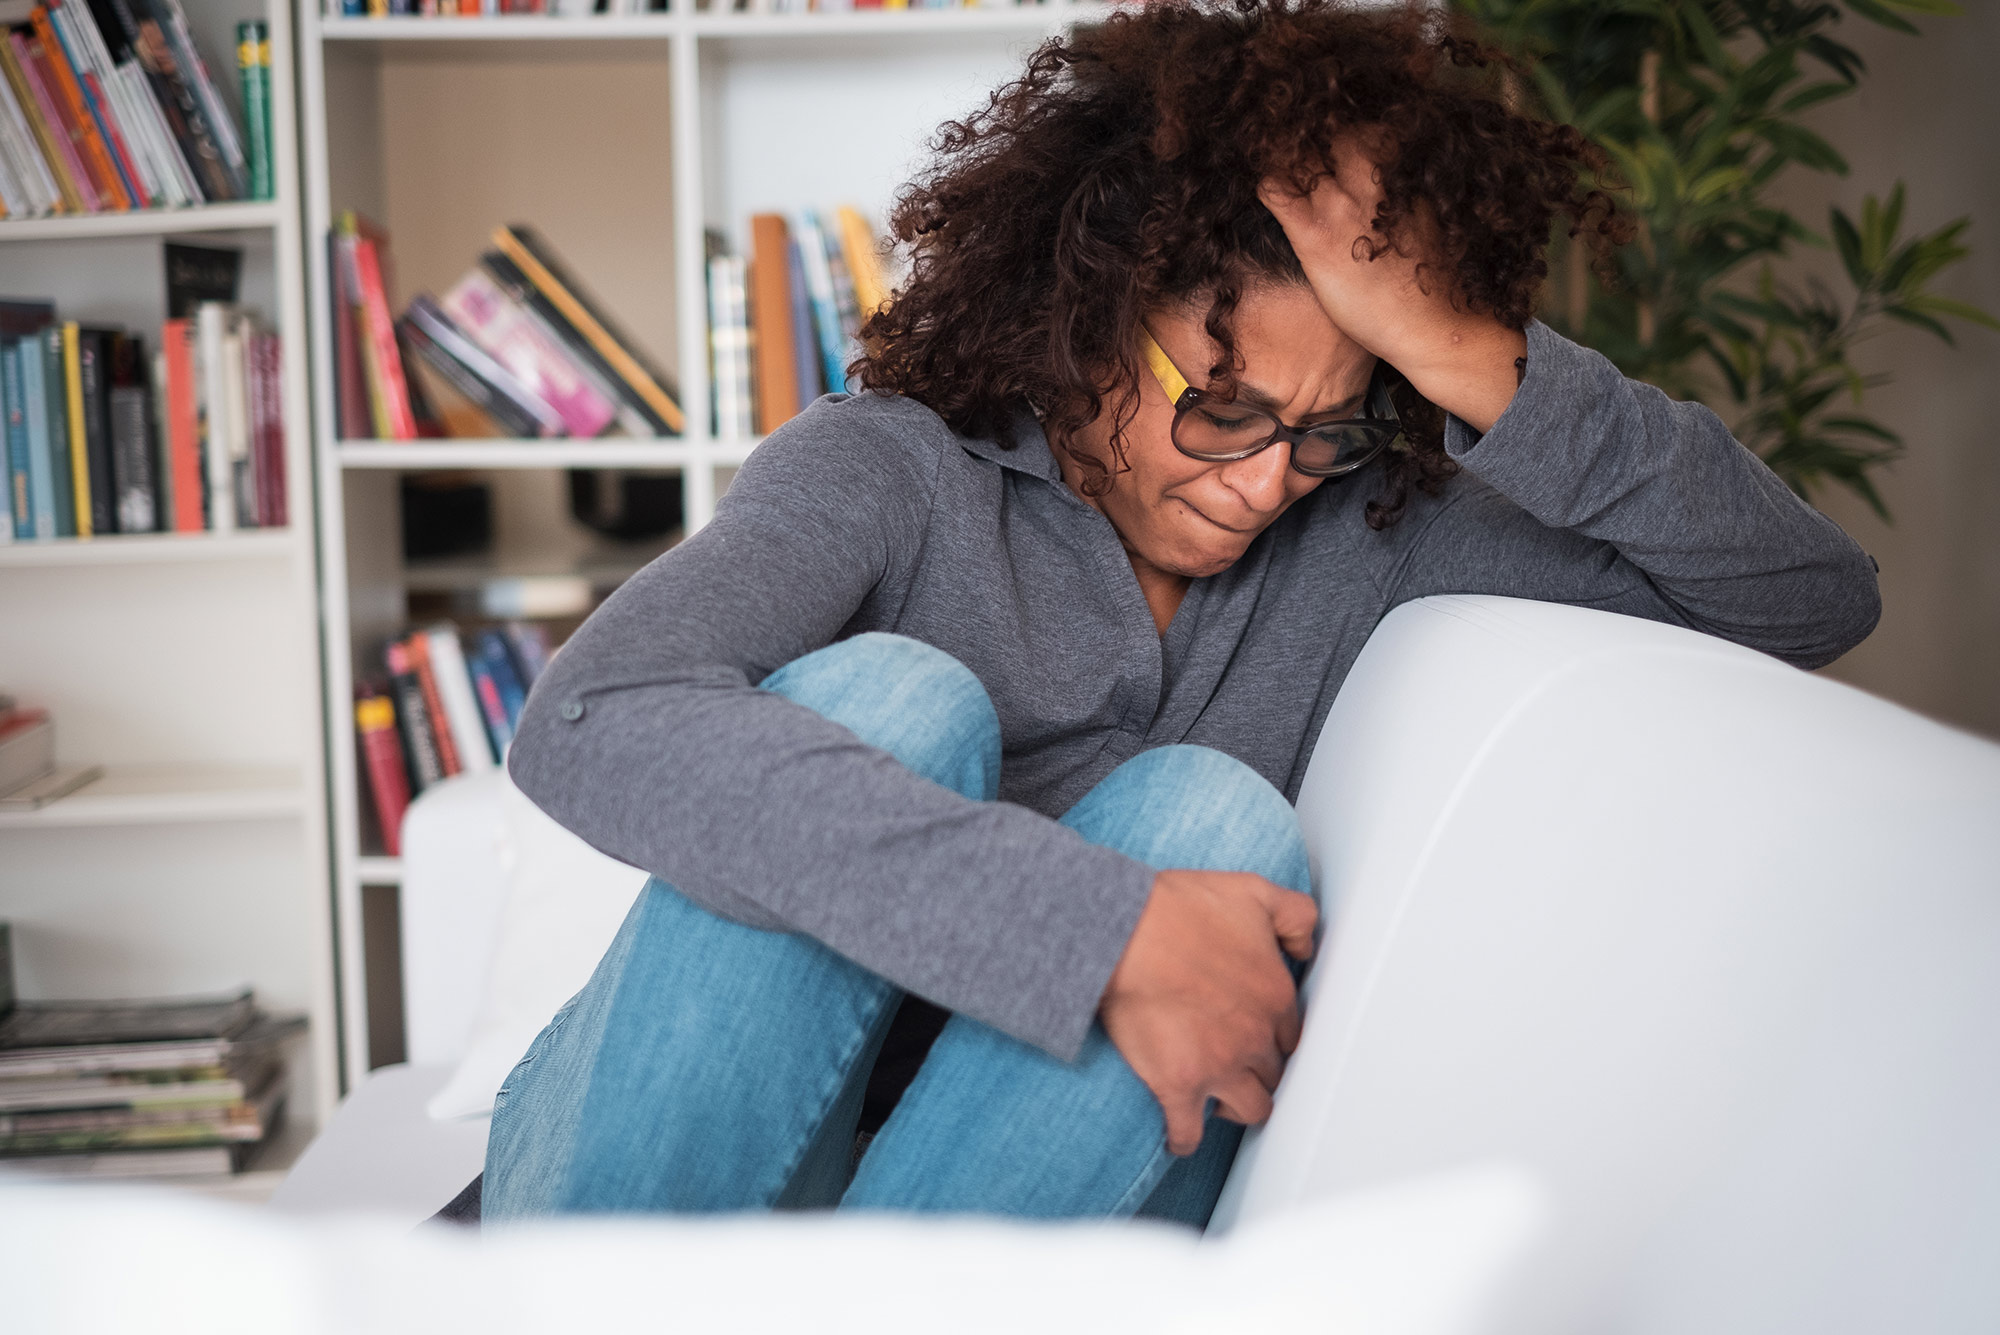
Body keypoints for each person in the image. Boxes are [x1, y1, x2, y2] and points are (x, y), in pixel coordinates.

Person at [445, 0, 1879, 1228]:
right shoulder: (891, 467)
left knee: (1211, 817)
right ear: (1087, 313)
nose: (1264, 481)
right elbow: (592, 716)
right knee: (897, 701)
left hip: (995, 1205)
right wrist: (1102, 929)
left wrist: (1471, 355)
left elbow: (1807, 601)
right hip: (651, 1173)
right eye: (1227, 403)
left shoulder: (1371, 529)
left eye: (1327, 426)